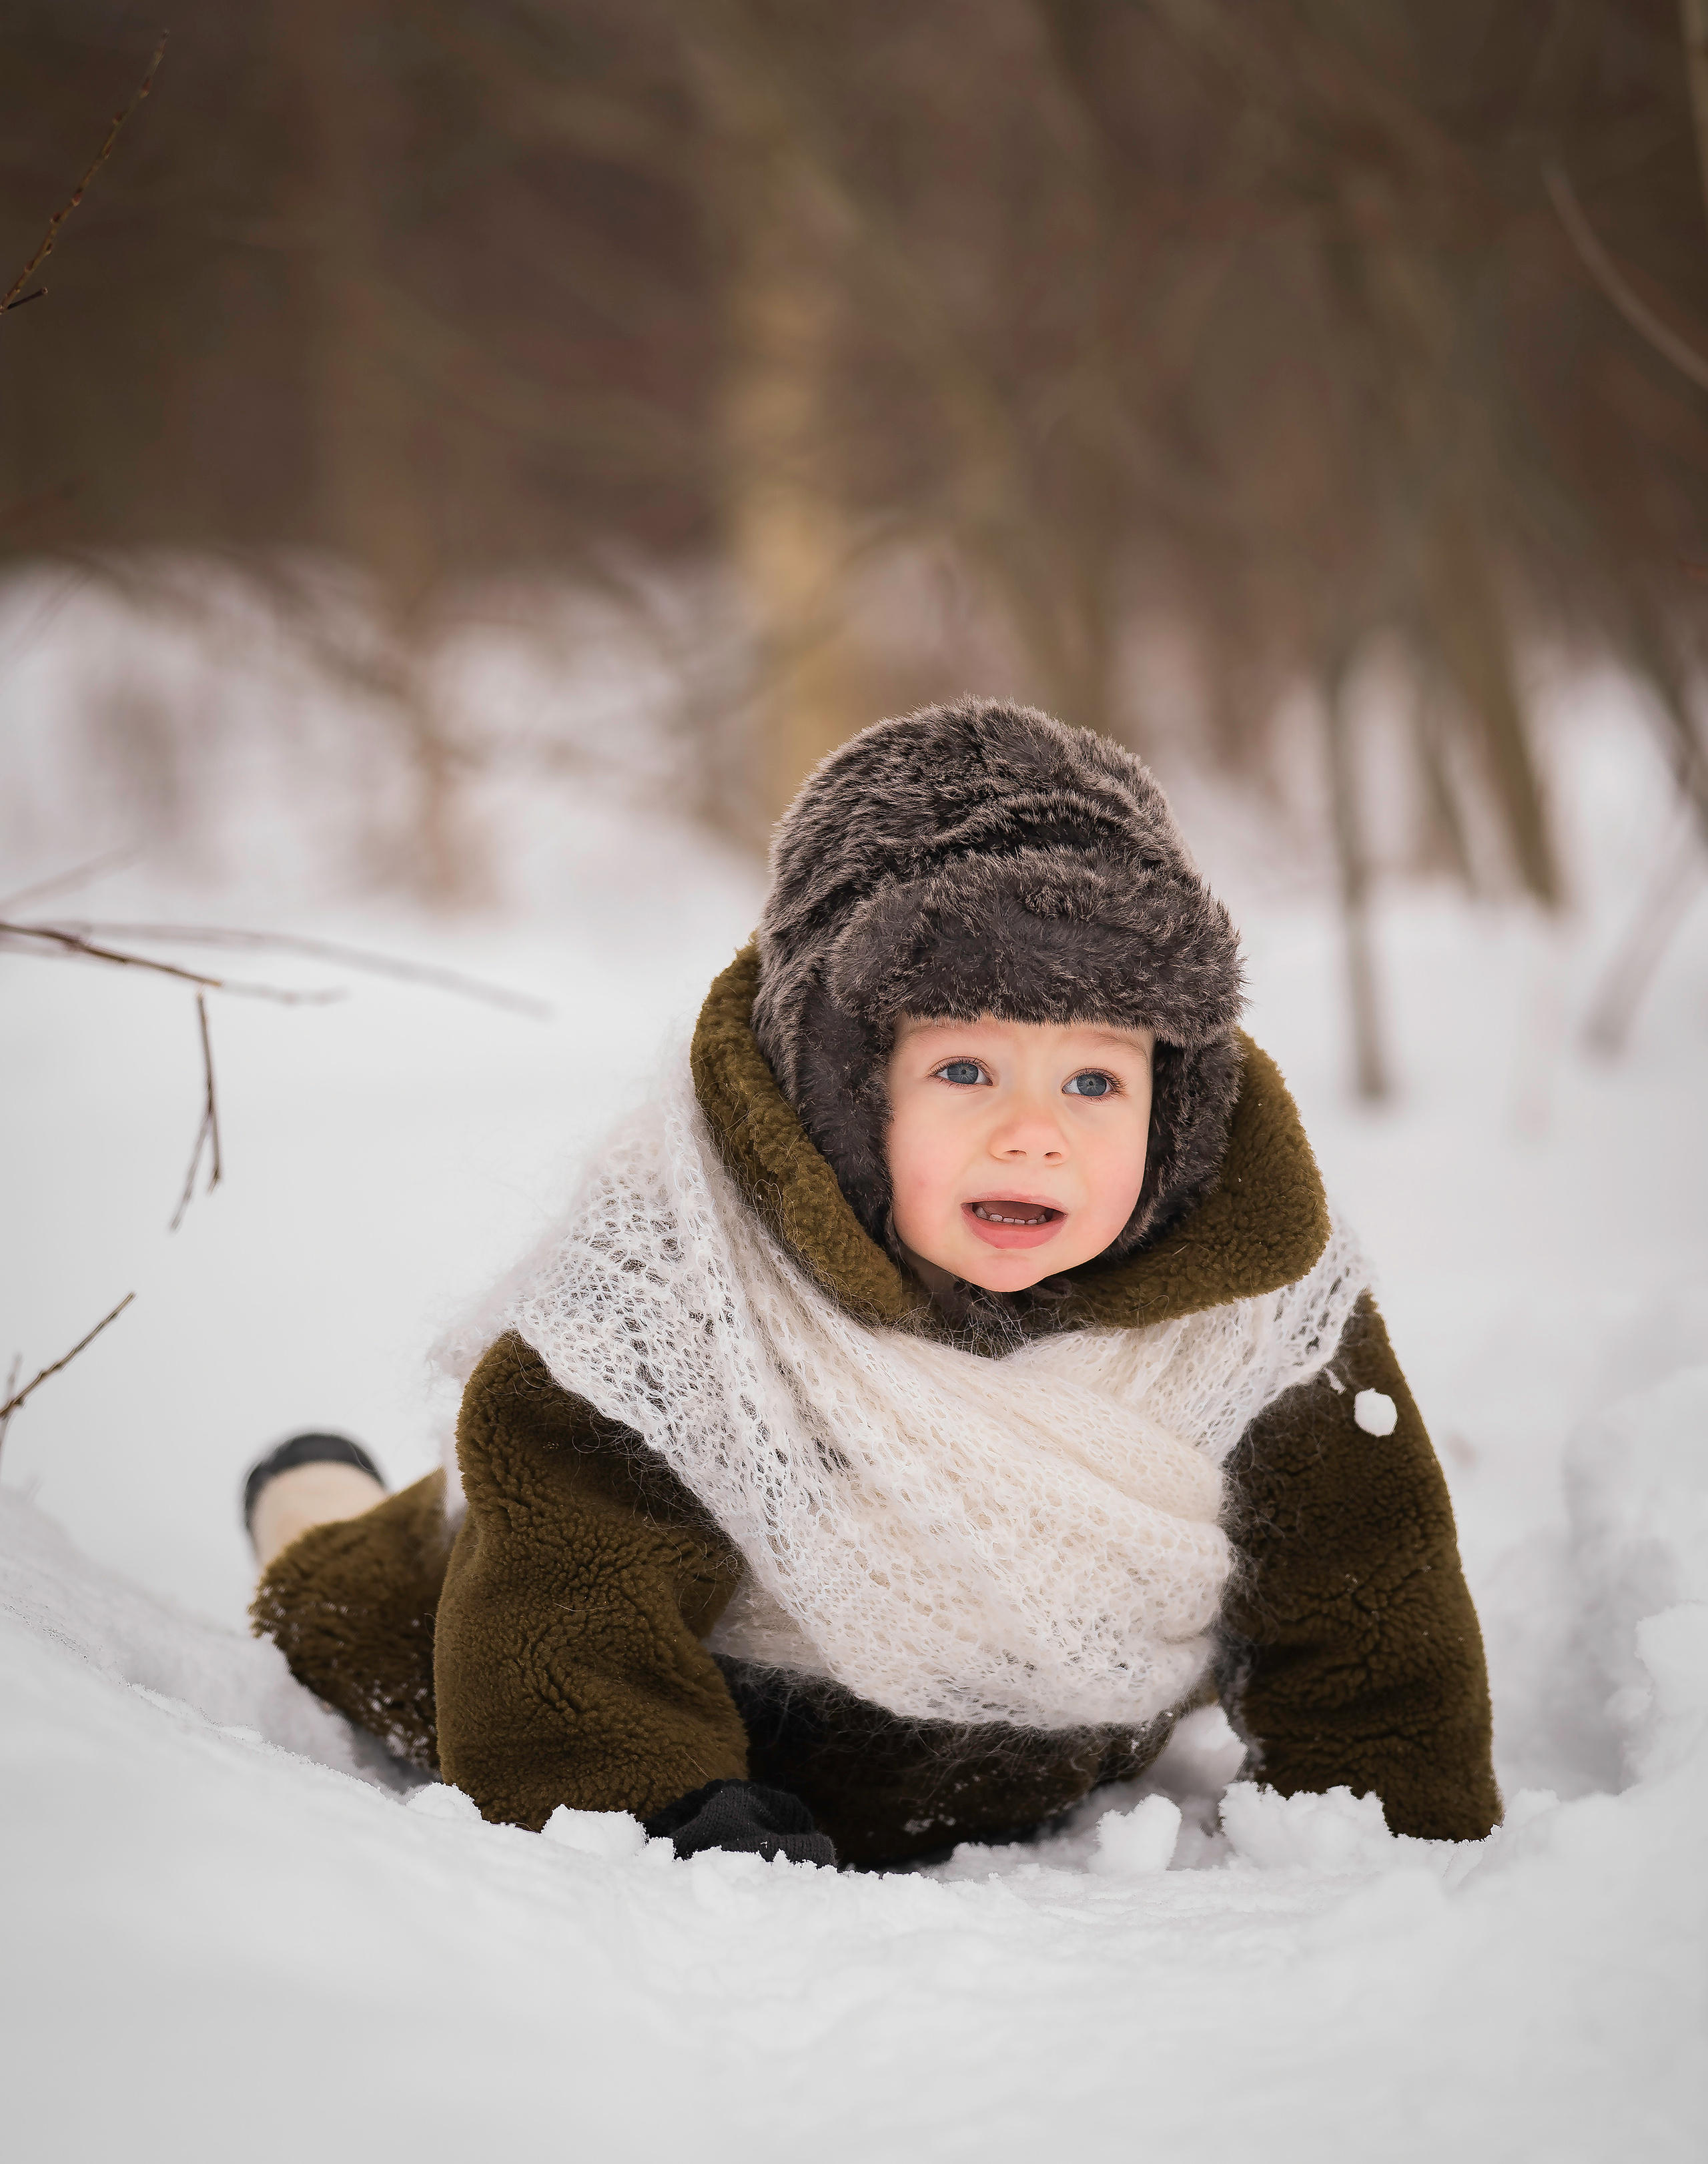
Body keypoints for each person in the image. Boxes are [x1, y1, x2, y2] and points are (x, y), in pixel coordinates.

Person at [248, 699, 1499, 1868]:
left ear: (1173, 1102)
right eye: (966, 1071)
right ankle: (306, 1496)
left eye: (1094, 1083)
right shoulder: (677, 1293)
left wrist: (1392, 1797)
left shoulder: (1256, 1311)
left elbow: (1366, 1573)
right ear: (846, 1083)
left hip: (1034, 1741)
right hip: (580, 1668)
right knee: (353, 1589)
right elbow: (564, 1595)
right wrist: (651, 1813)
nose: (1033, 1133)